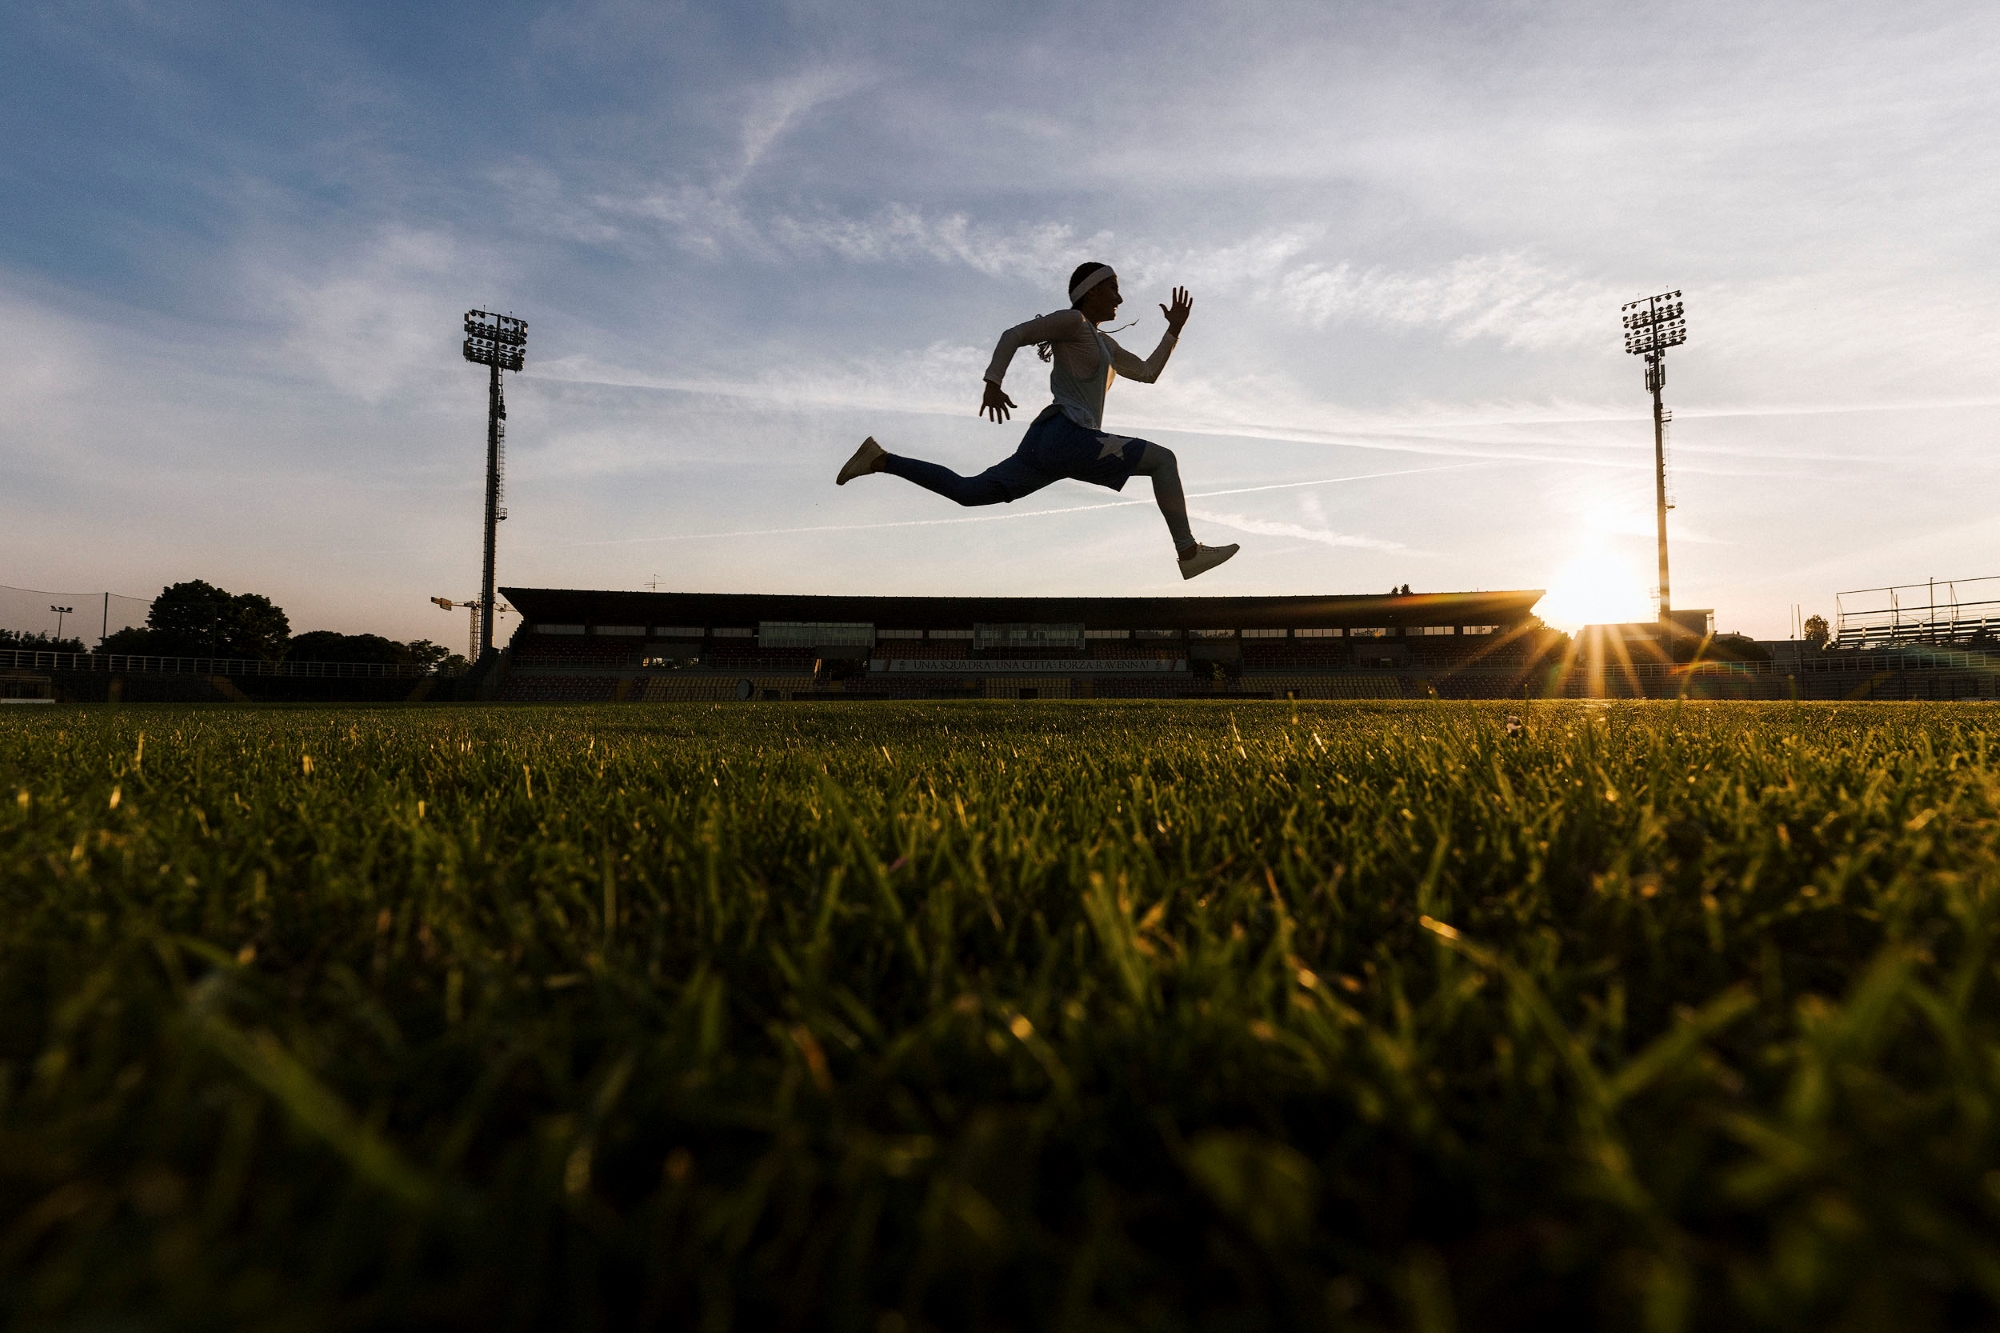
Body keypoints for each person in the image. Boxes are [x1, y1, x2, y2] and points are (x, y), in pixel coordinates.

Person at [835, 263, 1240, 580]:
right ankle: (1188, 552)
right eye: (1113, 287)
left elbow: (1149, 372)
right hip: (1068, 435)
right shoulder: (1074, 322)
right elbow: (1015, 333)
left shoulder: (1104, 342)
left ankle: (881, 459)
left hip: (1045, 444)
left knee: (968, 492)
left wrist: (1173, 331)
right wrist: (992, 383)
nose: (1120, 297)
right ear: (1092, 291)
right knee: (1164, 461)